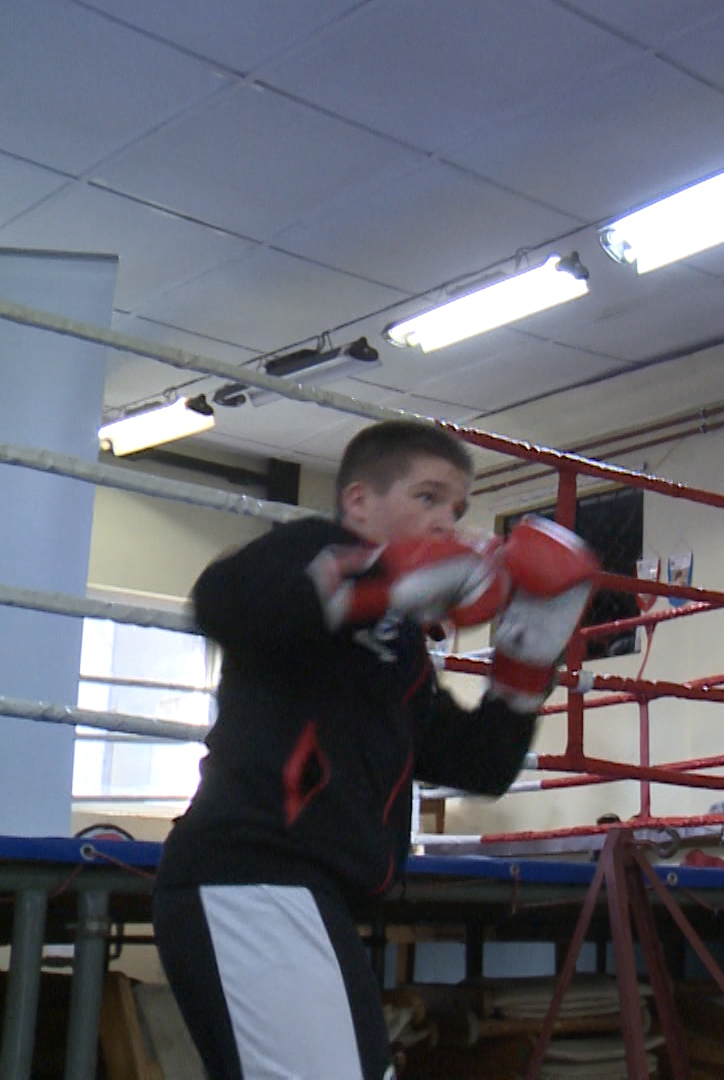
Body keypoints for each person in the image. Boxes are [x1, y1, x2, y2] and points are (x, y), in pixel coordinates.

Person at [153, 419, 599, 1080]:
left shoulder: (402, 654)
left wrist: (525, 663)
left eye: (457, 509)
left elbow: (478, 764)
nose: (446, 521)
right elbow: (222, 602)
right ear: (359, 502)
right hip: (252, 876)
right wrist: (382, 575)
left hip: (307, 894)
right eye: (427, 497)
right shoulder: (307, 551)